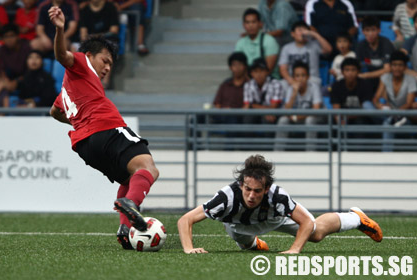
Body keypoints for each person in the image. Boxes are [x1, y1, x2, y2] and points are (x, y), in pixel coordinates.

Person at [48, 6, 159, 250]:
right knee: (148, 168)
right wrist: (59, 29)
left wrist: (78, 123)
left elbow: (54, 112)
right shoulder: (81, 63)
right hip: (107, 128)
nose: (107, 67)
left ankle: (124, 227)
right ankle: (131, 206)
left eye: (111, 64)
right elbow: (62, 56)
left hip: (85, 146)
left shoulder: (67, 90)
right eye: (104, 60)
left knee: (131, 177)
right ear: (89, 55)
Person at [177, 155, 383, 254]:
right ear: (241, 184)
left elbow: (304, 222)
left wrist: (294, 250)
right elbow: (185, 220)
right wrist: (189, 249)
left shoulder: (277, 196)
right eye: (247, 189)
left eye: (257, 191)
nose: (250, 195)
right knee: (245, 244)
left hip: (275, 219)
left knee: (316, 233)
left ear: (266, 189)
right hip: (238, 225)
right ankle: (254, 243)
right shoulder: (226, 197)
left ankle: (356, 217)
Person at [373, 51, 416, 152]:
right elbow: (376, 98)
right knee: (367, 105)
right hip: (389, 112)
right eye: (394, 65)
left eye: (400, 65)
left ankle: (386, 158)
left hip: (404, 116)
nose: (397, 68)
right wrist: (379, 105)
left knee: (387, 124)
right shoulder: (385, 77)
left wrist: (395, 113)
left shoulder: (411, 79)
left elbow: (409, 104)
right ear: (391, 66)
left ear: (405, 67)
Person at [276, 62, 322, 151]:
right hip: (297, 118)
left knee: (310, 120)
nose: (300, 79)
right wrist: (294, 93)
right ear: (293, 78)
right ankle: (278, 152)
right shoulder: (291, 89)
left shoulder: (314, 87)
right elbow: (285, 112)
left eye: (303, 75)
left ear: (308, 77)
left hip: (316, 119)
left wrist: (296, 117)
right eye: (297, 76)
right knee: (283, 120)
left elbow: (316, 111)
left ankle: (310, 153)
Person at [279, 20, 332, 87]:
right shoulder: (286, 48)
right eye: (300, 30)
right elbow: (283, 69)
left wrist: (315, 34)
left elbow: (329, 49)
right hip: (292, 79)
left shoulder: (314, 45)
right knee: (279, 84)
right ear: (292, 34)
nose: (303, 33)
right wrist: (292, 82)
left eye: (305, 30)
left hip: (311, 79)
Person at [235, 8, 280, 79]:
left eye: (253, 22)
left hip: (268, 80)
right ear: (243, 25)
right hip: (247, 80)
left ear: (260, 24)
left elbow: (269, 69)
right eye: (247, 22)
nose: (250, 25)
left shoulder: (269, 41)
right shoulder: (240, 43)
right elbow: (239, 66)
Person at [355, 16, 395, 93]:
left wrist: (366, 75)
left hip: (385, 78)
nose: (370, 34)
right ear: (363, 32)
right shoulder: (360, 46)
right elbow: (358, 67)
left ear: (379, 30)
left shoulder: (386, 44)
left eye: (373, 30)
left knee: (385, 77)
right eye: (367, 30)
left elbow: (387, 69)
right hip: (369, 79)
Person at [243, 58, 283, 126]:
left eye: (261, 70)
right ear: (251, 73)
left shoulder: (276, 84)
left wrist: (253, 106)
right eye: (255, 71)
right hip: (256, 114)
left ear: (267, 72)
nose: (259, 74)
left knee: (268, 119)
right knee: (248, 118)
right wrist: (265, 110)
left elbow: (273, 108)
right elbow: (247, 106)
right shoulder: (248, 85)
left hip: (272, 115)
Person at [0, 24, 31, 102]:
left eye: (12, 36)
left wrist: (16, 81)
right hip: (9, 80)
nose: (9, 39)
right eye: (6, 36)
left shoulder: (26, 48)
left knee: (1, 86)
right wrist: (6, 81)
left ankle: (3, 112)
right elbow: (2, 69)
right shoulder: (2, 50)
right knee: (0, 84)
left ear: (17, 36)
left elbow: (29, 72)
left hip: (24, 81)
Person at [212, 52, 248, 126]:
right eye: (234, 65)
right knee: (197, 118)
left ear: (245, 66)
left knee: (231, 119)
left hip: (238, 117)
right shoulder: (225, 85)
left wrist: (233, 111)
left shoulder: (249, 85)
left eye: (240, 64)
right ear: (230, 67)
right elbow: (217, 103)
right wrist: (223, 111)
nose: (237, 68)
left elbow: (248, 106)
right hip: (223, 115)